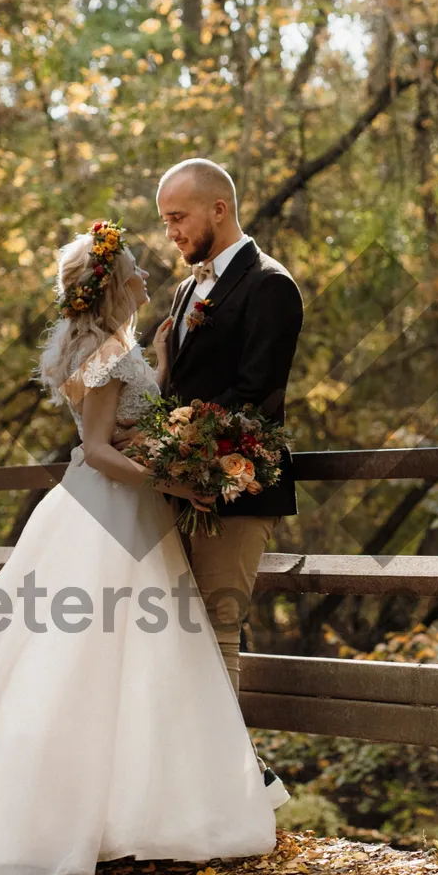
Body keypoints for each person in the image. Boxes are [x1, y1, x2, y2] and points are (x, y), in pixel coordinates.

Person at [0, 219, 284, 875]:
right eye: (134, 272)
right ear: (112, 285)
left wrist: (159, 366)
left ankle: (126, 816)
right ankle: (56, 822)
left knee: (130, 656)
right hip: (109, 511)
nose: (146, 279)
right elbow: (98, 448)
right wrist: (175, 483)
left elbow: (124, 411)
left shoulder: (110, 350)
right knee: (88, 658)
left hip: (113, 509)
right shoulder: (101, 357)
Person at [152, 158, 305, 698]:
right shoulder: (185, 291)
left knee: (216, 636)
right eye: (166, 222)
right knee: (170, 639)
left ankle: (228, 781)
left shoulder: (270, 285)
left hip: (237, 487)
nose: (171, 233)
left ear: (219, 208)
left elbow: (256, 394)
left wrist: (176, 448)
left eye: (178, 218)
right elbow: (179, 390)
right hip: (180, 489)